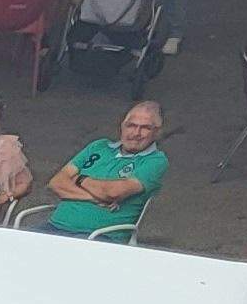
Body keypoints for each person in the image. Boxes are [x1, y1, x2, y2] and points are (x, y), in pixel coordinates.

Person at [42, 101, 167, 239]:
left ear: (157, 132)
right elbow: (56, 183)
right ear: (122, 127)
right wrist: (94, 198)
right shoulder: (99, 146)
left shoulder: (155, 161)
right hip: (54, 226)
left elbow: (113, 193)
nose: (136, 133)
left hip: (100, 236)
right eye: (131, 125)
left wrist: (80, 178)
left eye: (145, 128)